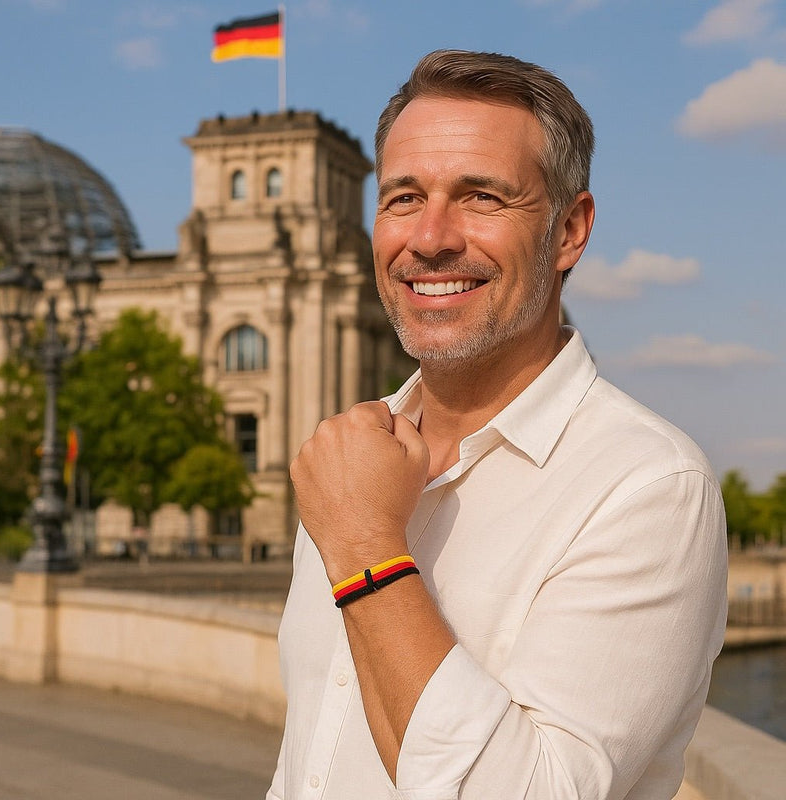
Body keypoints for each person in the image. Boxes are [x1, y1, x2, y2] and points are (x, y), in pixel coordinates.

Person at [266, 50, 727, 800]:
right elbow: (308, 761)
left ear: (570, 230)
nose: (431, 238)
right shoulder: (349, 456)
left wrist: (364, 548)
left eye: (481, 196)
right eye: (403, 197)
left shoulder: (648, 487)